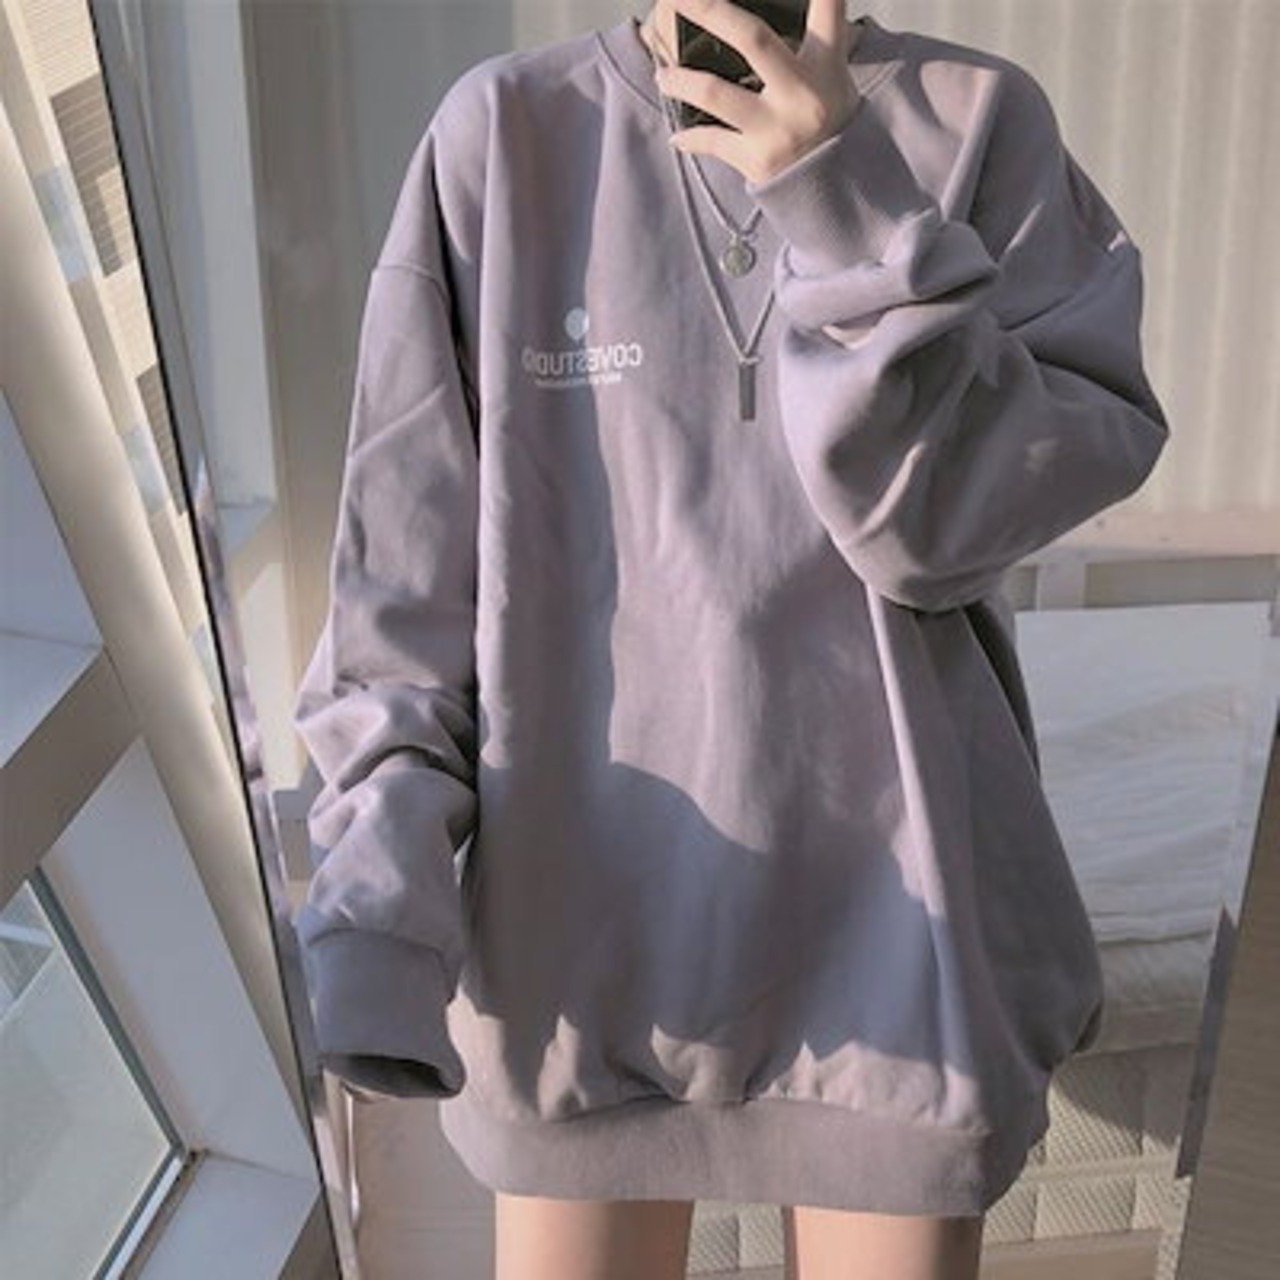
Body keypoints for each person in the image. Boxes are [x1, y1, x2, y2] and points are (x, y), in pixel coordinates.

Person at [290, 1, 1169, 1276]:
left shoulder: (978, 119)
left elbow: (939, 534)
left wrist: (843, 202)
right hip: (572, 962)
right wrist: (378, 911)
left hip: (907, 962)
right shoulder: (506, 132)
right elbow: (402, 566)